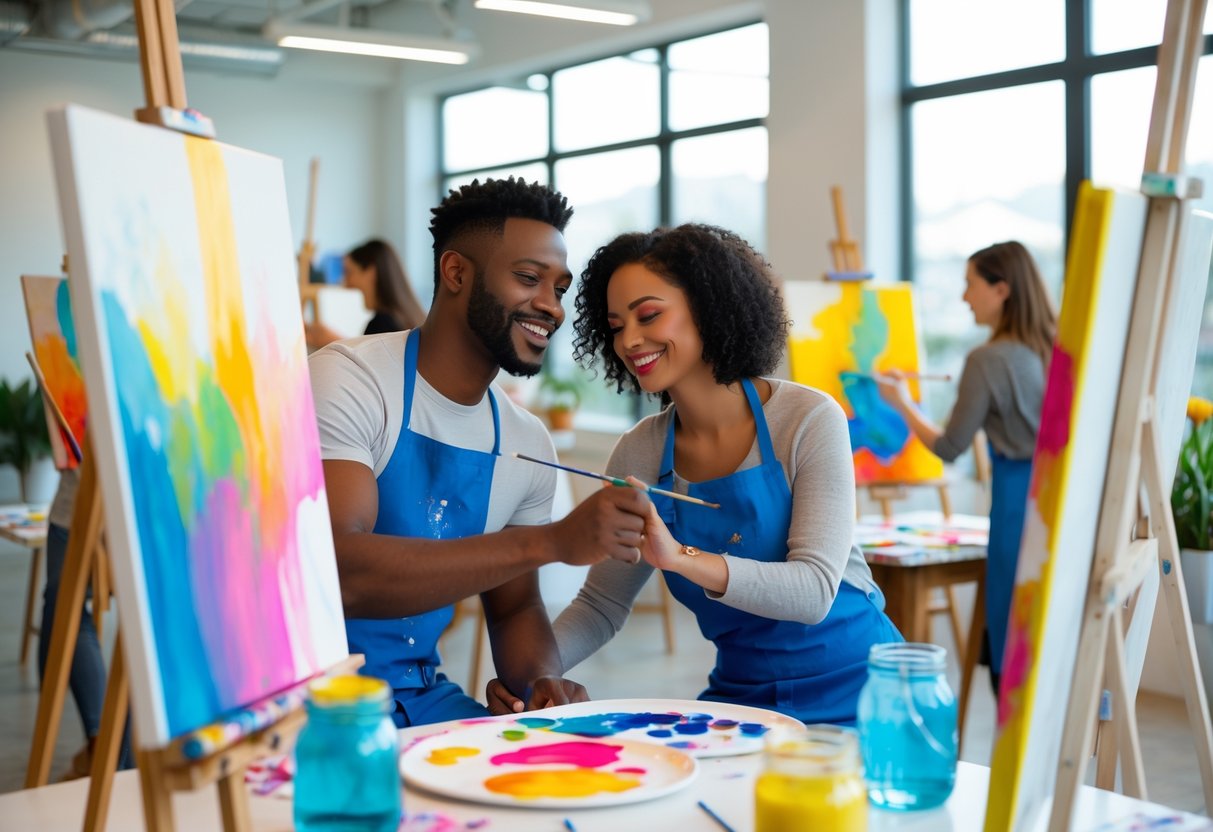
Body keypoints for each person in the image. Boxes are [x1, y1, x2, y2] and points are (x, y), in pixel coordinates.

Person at [488, 223, 902, 726]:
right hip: (745, 700)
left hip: (866, 695)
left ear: (709, 308)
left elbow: (813, 591)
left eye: (649, 316)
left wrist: (681, 557)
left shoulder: (808, 418)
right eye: (616, 326)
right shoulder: (639, 452)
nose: (629, 341)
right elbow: (601, 604)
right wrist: (533, 676)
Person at [308, 178, 652, 728]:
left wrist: (539, 681)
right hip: (311, 696)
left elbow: (515, 607)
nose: (551, 307)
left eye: (559, 288)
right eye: (527, 278)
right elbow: (342, 574)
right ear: (456, 272)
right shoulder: (350, 378)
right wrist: (549, 542)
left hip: (418, 694)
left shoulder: (525, 441)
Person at [875, 240, 1056, 691]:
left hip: (1017, 503)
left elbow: (950, 445)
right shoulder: (1054, 349)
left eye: (970, 284)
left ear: (1002, 289)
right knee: (1044, 644)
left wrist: (901, 402)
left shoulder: (988, 358)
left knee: (1010, 643)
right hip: (1058, 501)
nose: (963, 297)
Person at [38, 469, 132, 778]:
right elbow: (67, 457)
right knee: (60, 607)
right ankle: (102, 746)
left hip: (132, 510)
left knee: (139, 629)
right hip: (73, 511)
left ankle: (111, 755)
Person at [306, 239, 426, 347]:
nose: (346, 283)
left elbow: (371, 367)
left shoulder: (383, 324)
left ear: (371, 272)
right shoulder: (407, 317)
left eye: (349, 272)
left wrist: (332, 342)